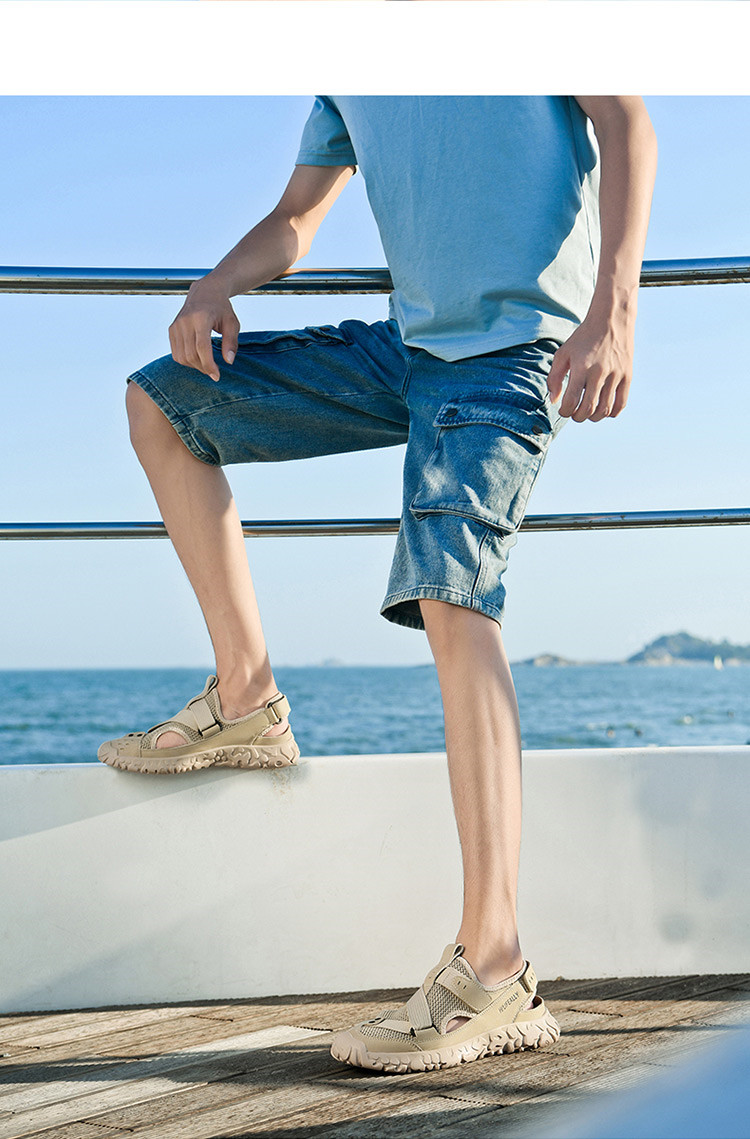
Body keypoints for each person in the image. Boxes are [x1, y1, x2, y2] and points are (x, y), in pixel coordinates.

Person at [98, 97, 657, 1073]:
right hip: (406, 351)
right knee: (164, 402)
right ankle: (246, 695)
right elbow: (298, 218)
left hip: (512, 355)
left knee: (451, 590)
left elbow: (626, 118)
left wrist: (616, 309)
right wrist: (213, 286)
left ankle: (495, 965)